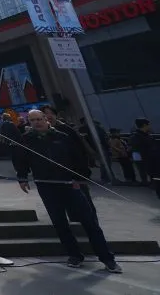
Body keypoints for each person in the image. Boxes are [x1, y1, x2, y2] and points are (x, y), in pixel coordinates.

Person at [13, 109, 120, 272]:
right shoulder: (27, 140)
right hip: (46, 185)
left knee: (89, 221)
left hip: (70, 184)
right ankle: (75, 255)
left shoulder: (62, 137)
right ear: (29, 122)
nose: (36, 122)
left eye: (39, 119)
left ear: (46, 119)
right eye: (32, 120)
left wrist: (80, 178)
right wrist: (22, 177)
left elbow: (78, 158)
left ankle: (107, 257)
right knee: (59, 222)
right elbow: (22, 160)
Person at [129, 118, 158, 196]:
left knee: (148, 170)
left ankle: (149, 183)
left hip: (147, 157)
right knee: (147, 170)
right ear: (144, 125)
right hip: (145, 157)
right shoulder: (138, 136)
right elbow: (139, 148)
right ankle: (148, 183)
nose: (150, 126)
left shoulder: (142, 135)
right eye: (148, 125)